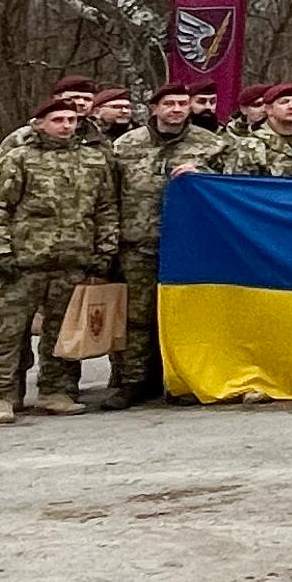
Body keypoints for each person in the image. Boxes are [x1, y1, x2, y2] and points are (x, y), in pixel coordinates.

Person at [0, 96, 115, 421]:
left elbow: (106, 209)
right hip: (23, 263)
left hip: (73, 261)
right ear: (40, 124)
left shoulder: (93, 161)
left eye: (71, 120)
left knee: (63, 332)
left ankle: (57, 390)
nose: (66, 126)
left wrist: (104, 250)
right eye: (58, 120)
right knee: (9, 331)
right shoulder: (19, 159)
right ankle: (3, 395)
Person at [97, 83, 231, 409]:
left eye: (182, 103)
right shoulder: (125, 145)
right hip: (136, 243)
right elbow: (106, 196)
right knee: (137, 317)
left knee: (184, 316)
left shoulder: (211, 144)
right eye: (168, 103)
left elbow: (234, 184)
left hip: (190, 244)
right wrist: (108, 241)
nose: (176, 109)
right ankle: (133, 383)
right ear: (154, 109)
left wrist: (205, 174)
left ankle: (181, 380)